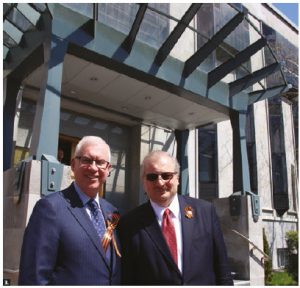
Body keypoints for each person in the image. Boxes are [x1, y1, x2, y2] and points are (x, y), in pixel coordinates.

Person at [119, 150, 233, 285]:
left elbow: (222, 268)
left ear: (177, 178)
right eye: (152, 177)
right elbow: (128, 277)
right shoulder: (129, 223)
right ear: (144, 181)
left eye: (166, 175)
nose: (160, 183)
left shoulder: (205, 212)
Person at [19, 136, 121, 285]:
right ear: (73, 164)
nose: (93, 168)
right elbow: (34, 277)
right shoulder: (50, 208)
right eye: (86, 160)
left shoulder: (112, 211)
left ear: (108, 169)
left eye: (100, 162)